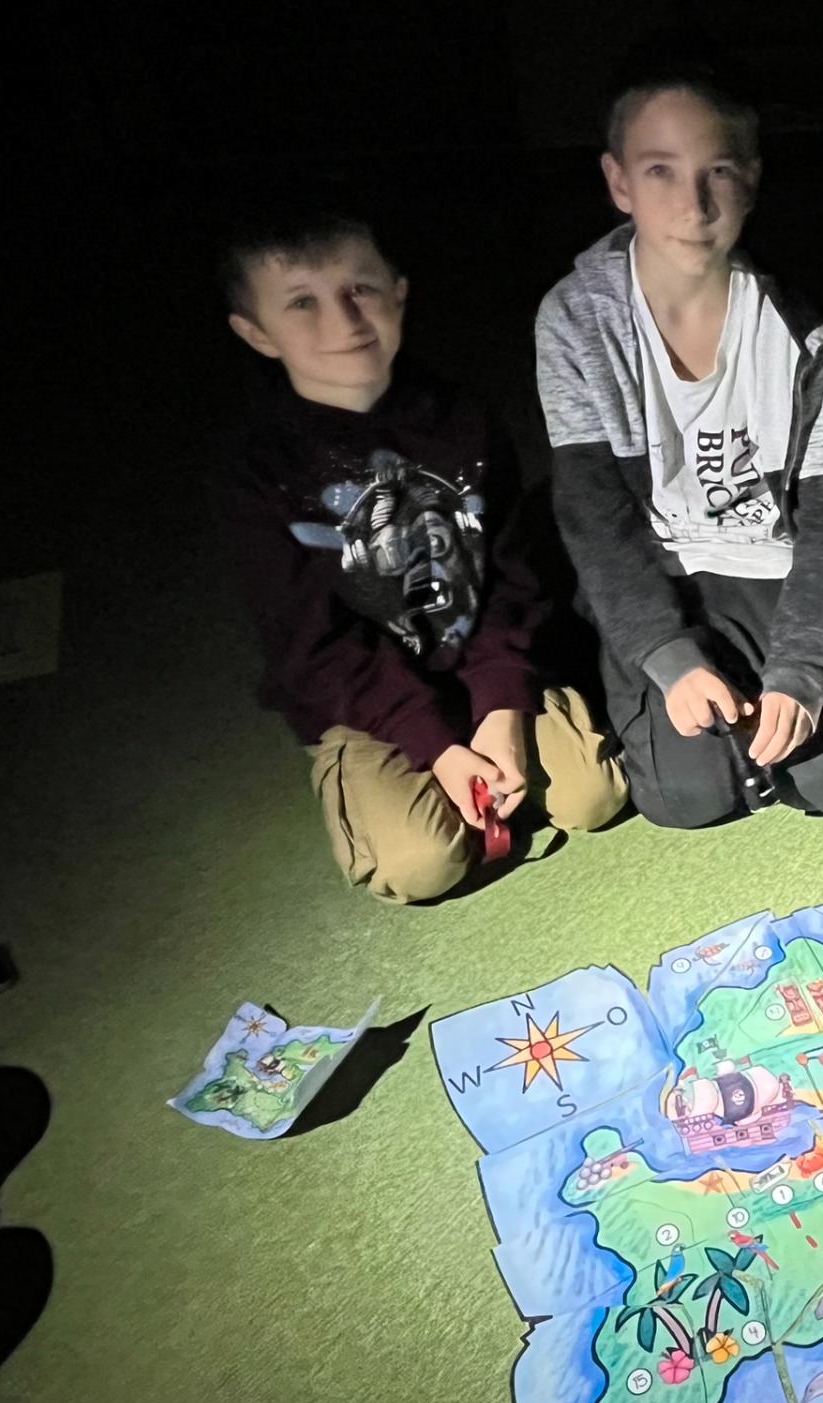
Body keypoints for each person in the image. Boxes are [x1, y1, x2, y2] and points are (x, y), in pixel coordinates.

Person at [215, 210, 625, 902]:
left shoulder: (460, 416)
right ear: (256, 332)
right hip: (369, 701)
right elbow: (312, 648)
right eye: (302, 303)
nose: (344, 322)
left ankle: (492, 746)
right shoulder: (256, 473)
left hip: (478, 660)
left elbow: (510, 574)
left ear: (399, 292)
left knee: (593, 795)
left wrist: (501, 707)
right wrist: (433, 745)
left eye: (361, 290)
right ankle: (389, 780)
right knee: (422, 864)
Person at [535, 60, 823, 829]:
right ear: (619, 182)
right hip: (658, 569)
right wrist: (667, 655)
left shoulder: (805, 334)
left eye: (716, 172)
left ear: (750, 181)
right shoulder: (576, 320)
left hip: (765, 562)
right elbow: (595, 518)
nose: (693, 205)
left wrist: (805, 666)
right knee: (685, 797)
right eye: (660, 171)